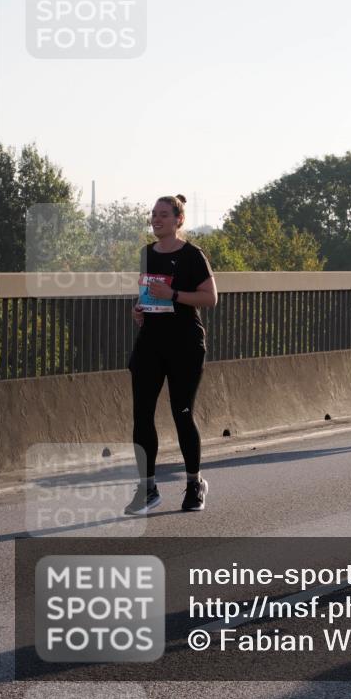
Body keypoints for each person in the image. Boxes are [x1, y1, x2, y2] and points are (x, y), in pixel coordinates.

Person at [125, 194, 218, 515]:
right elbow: (147, 295)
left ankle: (194, 484)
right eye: (154, 214)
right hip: (150, 344)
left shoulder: (193, 255)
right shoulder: (146, 254)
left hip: (185, 345)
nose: (156, 219)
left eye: (164, 214)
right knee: (141, 416)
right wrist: (138, 309)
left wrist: (174, 294)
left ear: (179, 220)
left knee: (182, 414)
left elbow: (210, 298)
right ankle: (148, 488)